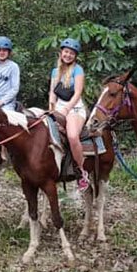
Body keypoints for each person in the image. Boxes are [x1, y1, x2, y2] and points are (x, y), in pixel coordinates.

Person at [49, 38, 89, 192]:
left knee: (72, 136)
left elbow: (78, 92)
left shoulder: (78, 70)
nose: (68, 55)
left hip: (75, 109)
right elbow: (52, 92)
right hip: (58, 108)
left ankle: (81, 171)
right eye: (66, 52)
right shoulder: (55, 71)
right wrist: (51, 109)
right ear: (61, 53)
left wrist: (66, 109)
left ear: (75, 56)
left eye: (71, 53)